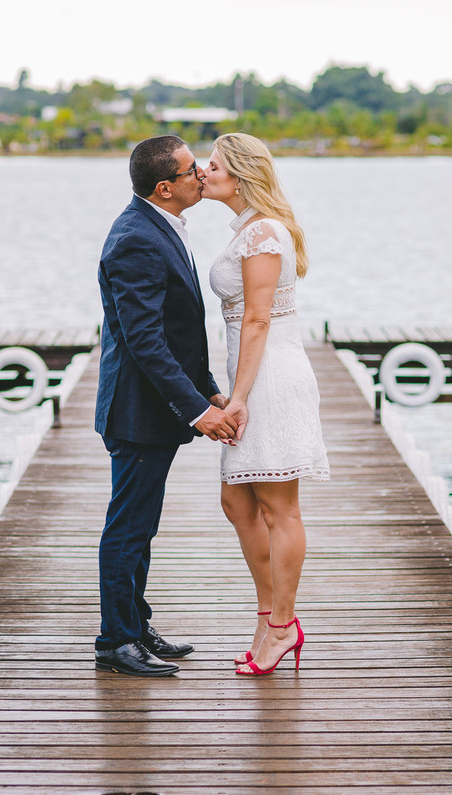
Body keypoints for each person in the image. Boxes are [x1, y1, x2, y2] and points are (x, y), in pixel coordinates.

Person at [94, 135, 238, 677]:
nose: (201, 173)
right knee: (129, 525)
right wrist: (199, 412)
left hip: (154, 406)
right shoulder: (135, 238)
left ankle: (135, 623)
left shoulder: (161, 225)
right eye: (190, 169)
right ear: (164, 187)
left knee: (142, 523)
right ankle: (115, 640)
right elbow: (144, 341)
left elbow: (178, 332)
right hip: (136, 410)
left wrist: (207, 389)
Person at [201, 132, 330, 677]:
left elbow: (257, 320)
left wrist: (240, 398)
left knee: (279, 509)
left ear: (240, 174)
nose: (202, 172)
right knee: (237, 503)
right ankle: (269, 616)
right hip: (252, 373)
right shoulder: (247, 230)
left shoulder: (265, 234)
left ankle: (282, 626)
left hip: (270, 379)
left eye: (212, 165)